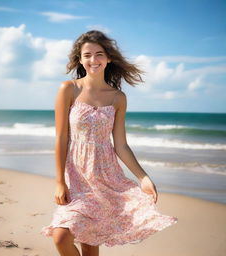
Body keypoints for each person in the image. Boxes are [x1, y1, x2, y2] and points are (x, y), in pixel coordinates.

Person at [40, 30, 178, 256]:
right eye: (87, 55)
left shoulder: (118, 98)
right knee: (61, 236)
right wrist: (59, 182)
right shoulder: (69, 89)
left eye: (99, 54)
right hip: (76, 176)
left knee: (90, 240)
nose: (93, 60)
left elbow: (121, 144)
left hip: (106, 177)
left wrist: (143, 177)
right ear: (80, 59)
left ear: (109, 58)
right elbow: (61, 137)